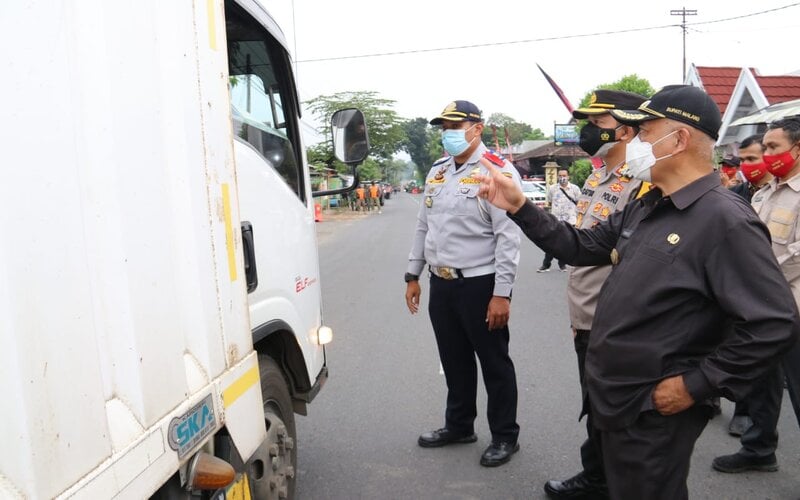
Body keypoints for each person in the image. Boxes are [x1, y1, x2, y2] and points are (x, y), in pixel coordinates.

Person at [473, 85, 800, 499]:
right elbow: (580, 246)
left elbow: (773, 323)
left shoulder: (724, 220)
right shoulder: (649, 205)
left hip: (656, 405)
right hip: (618, 395)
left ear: (679, 139)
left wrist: (695, 385)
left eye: (644, 131)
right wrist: (520, 206)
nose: (634, 141)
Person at [405, 100, 523, 467]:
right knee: (453, 360)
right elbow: (424, 226)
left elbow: (508, 237)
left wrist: (501, 294)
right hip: (441, 284)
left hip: (480, 284)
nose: (449, 133)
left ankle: (505, 436)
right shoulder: (437, 171)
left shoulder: (496, 172)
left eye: (457, 126)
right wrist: (413, 273)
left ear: (478, 128)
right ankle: (459, 425)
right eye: (444, 126)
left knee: (494, 362)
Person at [544, 89, 648, 499]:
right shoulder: (597, 175)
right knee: (596, 404)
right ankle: (599, 475)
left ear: (624, 131)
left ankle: (609, 481)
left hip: (614, 320)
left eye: (598, 124)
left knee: (613, 409)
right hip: (587, 315)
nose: (588, 132)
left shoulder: (640, 184)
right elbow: (583, 245)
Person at [712, 117, 800, 474]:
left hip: (792, 307)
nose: (766, 155)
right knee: (762, 381)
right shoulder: (764, 192)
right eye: (764, 148)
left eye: (773, 148)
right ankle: (759, 448)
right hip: (760, 306)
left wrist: (754, 275)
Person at [538, 169, 581, 272]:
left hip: (570, 220)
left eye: (564, 175)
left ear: (568, 176)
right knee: (551, 243)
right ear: (558, 177)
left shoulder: (574, 189)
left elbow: (580, 203)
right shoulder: (553, 189)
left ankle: (562, 264)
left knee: (565, 243)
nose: (562, 177)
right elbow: (548, 202)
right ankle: (546, 264)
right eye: (560, 175)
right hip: (555, 220)